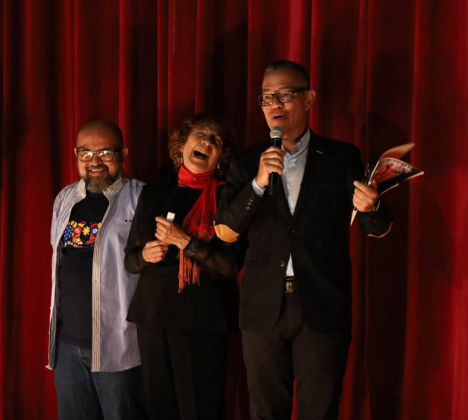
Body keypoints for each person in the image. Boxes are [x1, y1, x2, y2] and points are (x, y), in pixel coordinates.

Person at [215, 60, 393, 420]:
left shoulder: (341, 157)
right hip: (263, 307)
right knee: (265, 413)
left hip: (322, 304)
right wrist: (258, 183)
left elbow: (377, 228)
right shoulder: (247, 162)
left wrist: (372, 206)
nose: (274, 105)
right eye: (267, 97)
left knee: (320, 411)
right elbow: (226, 230)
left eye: (285, 95)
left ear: (309, 99)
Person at [124, 112, 238, 420]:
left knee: (199, 410)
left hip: (202, 319)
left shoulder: (229, 198)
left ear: (221, 156)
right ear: (182, 146)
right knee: (159, 408)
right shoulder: (153, 194)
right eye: (200, 135)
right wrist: (145, 256)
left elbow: (230, 266)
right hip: (153, 315)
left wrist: (186, 242)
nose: (206, 142)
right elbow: (130, 260)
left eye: (215, 140)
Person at [48, 119, 146, 420]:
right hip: (67, 344)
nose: (95, 162)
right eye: (86, 153)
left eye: (105, 152)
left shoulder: (141, 198)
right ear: (76, 155)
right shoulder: (65, 198)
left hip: (118, 344)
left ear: (123, 154)